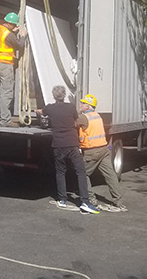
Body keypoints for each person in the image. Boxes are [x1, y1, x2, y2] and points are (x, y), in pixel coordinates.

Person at [38, 85, 100, 214]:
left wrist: (35, 110)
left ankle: (62, 200)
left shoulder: (50, 108)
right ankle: (84, 201)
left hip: (58, 145)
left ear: (54, 96)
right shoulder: (71, 107)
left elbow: (41, 112)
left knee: (60, 171)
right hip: (72, 144)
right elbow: (76, 120)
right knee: (80, 171)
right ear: (64, 95)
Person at [77, 94, 127, 212]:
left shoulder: (84, 118)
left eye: (83, 103)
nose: (80, 104)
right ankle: (118, 202)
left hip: (91, 152)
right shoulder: (97, 116)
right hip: (103, 150)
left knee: (82, 174)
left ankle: (90, 199)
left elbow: (70, 122)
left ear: (88, 106)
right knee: (110, 175)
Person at [0, 12, 26, 126]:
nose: (15, 27)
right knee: (7, 93)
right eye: (14, 25)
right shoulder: (9, 35)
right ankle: (5, 120)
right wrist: (23, 35)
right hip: (5, 65)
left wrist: (12, 32)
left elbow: (5, 41)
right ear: (10, 24)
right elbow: (19, 45)